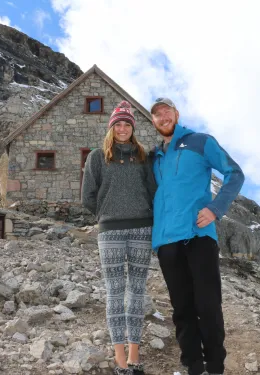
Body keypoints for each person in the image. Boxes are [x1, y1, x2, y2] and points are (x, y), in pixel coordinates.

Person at [149, 97, 245, 375]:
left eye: (167, 112)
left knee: (208, 304)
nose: (163, 117)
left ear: (176, 115)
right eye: (157, 115)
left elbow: (234, 173)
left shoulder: (200, 142)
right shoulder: (155, 156)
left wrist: (216, 209)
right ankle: (192, 365)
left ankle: (215, 366)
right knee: (181, 308)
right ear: (153, 121)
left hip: (198, 236)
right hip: (167, 241)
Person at [82, 100, 156, 375]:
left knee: (137, 290)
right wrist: (104, 214)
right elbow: (88, 195)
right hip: (110, 230)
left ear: (132, 128)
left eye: (127, 124)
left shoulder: (143, 156)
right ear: (111, 127)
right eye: (118, 124)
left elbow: (152, 191)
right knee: (114, 291)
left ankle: (135, 356)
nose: (122, 128)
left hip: (141, 229)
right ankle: (120, 359)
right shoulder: (97, 157)